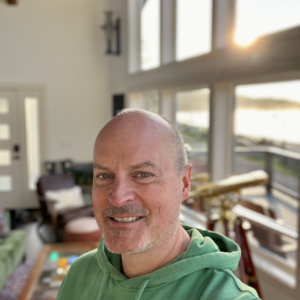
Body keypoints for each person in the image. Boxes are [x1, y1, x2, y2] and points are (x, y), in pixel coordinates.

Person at [57, 109, 260, 300]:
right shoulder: (79, 273)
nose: (118, 197)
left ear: (184, 183)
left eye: (144, 175)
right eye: (104, 175)